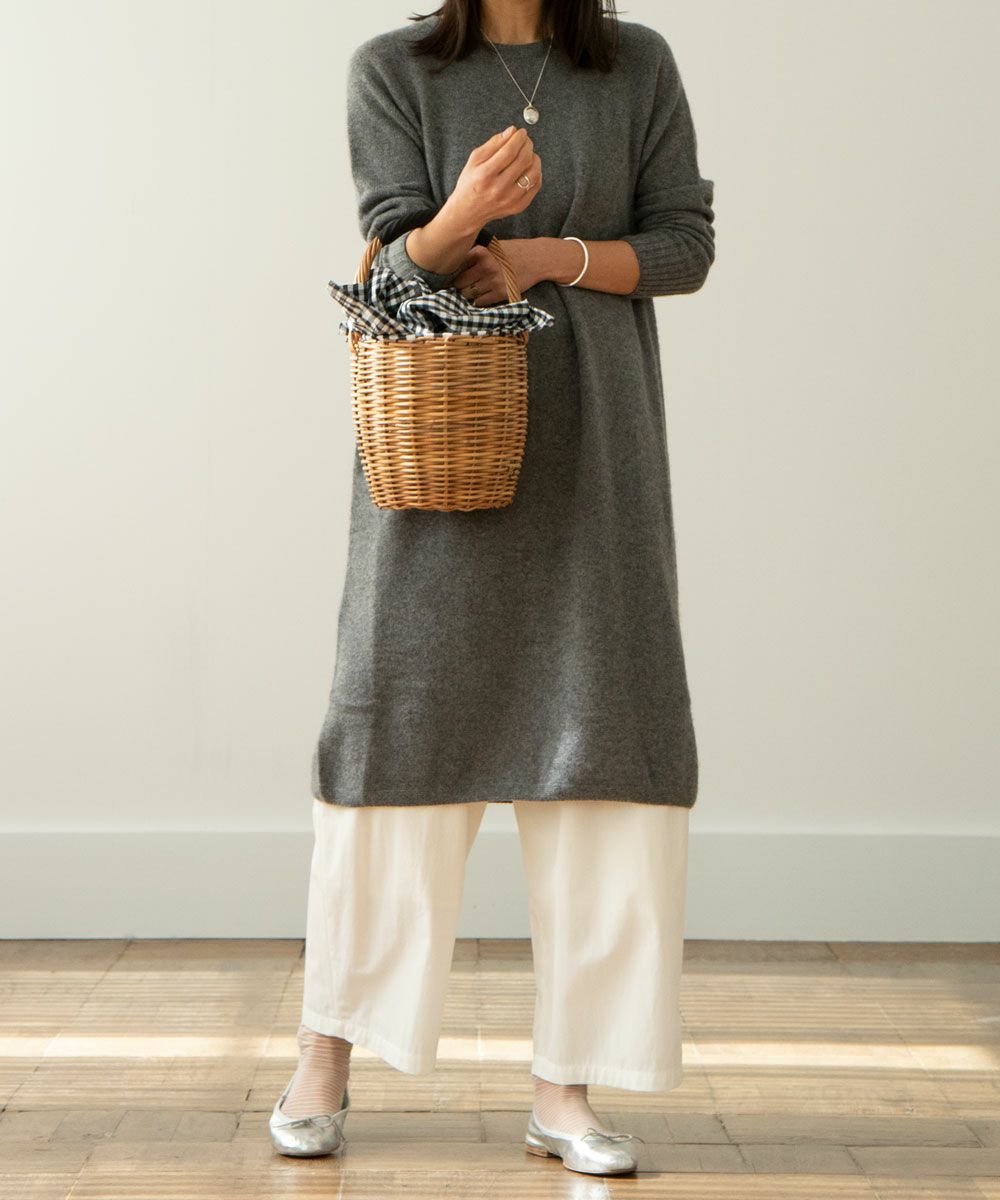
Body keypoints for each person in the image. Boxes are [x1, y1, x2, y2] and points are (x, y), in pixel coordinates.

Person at [269, 0, 714, 1177]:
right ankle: (325, 1052)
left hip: (595, 457)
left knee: (605, 750)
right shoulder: (393, 70)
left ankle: (567, 1084)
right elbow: (389, 271)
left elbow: (684, 247)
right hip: (440, 456)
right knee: (393, 739)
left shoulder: (636, 66)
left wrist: (547, 256)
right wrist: (460, 215)